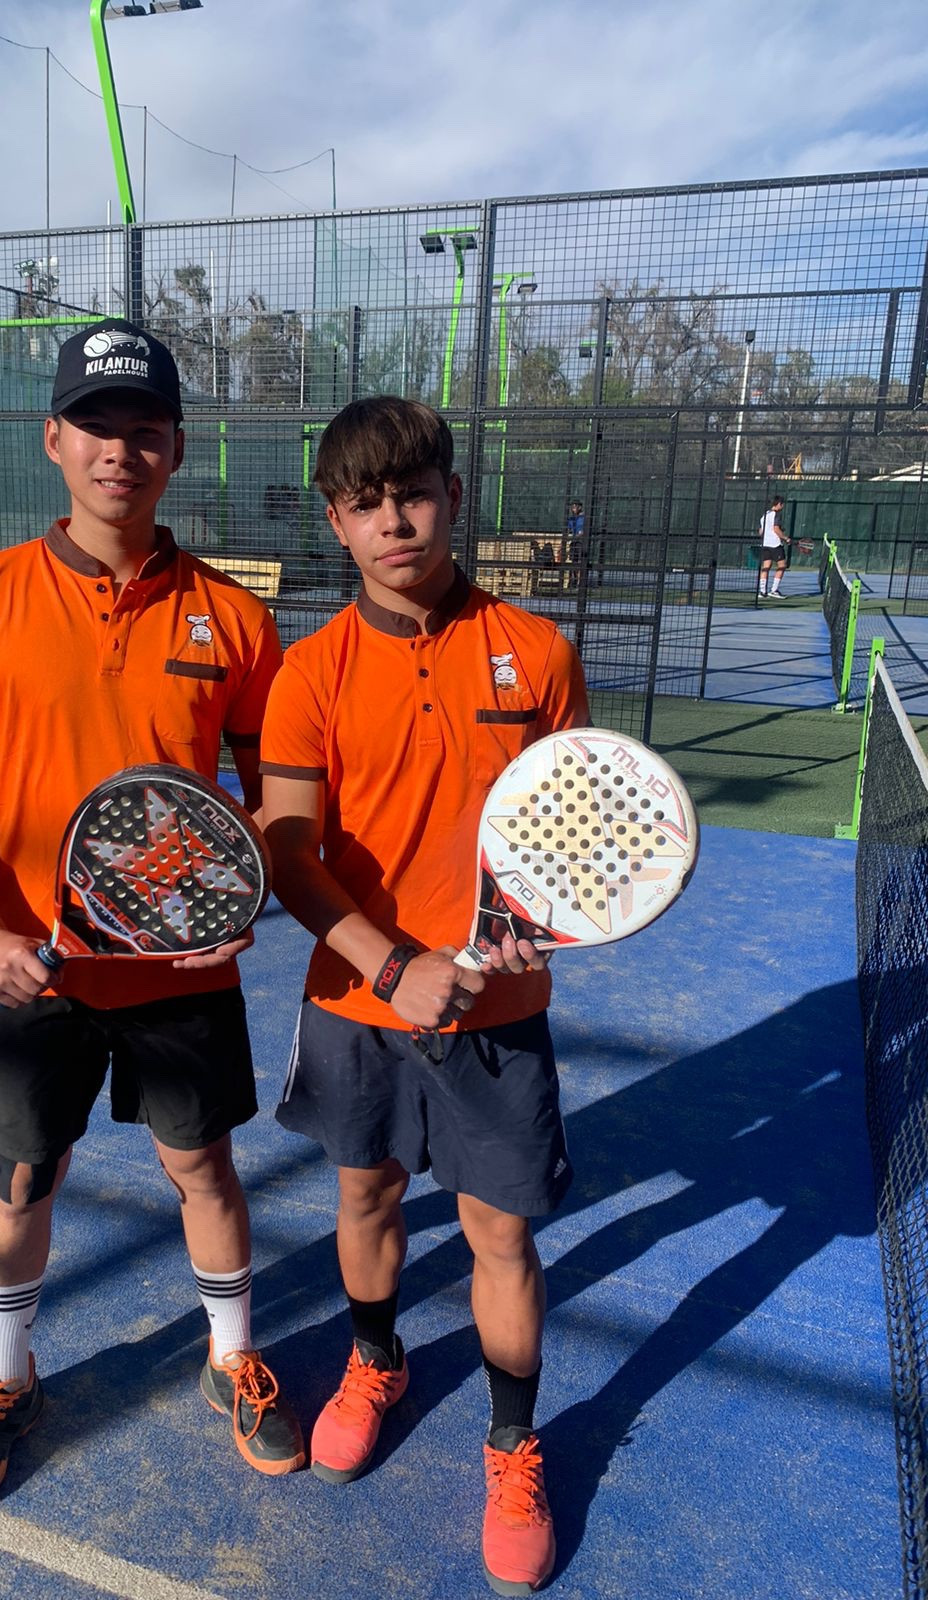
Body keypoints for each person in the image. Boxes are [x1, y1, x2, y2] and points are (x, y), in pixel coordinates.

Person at [0, 318, 304, 1514]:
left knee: (204, 1166)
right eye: (96, 427)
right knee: (22, 1181)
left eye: (145, 429)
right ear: (54, 441)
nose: (120, 450)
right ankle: (9, 1376)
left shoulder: (233, 618)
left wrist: (247, 888)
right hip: (29, 971)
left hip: (183, 969)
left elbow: (276, 801)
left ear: (175, 448)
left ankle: (231, 1358)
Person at [259, 396, 589, 1594]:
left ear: (452, 496)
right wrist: (396, 966)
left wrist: (517, 938)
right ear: (337, 523)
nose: (394, 520)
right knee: (367, 1193)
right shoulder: (308, 674)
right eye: (366, 503)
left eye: (412, 493)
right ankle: (377, 1359)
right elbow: (292, 855)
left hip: (498, 1011)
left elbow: (569, 831)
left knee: (500, 1231)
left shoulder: (537, 653)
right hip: (359, 1006)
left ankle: (512, 1442)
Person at [757, 495, 789, 598]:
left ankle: (763, 591)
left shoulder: (765, 514)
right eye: (782, 504)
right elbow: (776, 529)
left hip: (765, 544)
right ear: (779, 504)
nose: (782, 506)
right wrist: (786, 538)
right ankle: (774, 590)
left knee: (766, 567)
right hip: (775, 545)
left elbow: (761, 531)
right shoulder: (776, 514)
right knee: (782, 566)